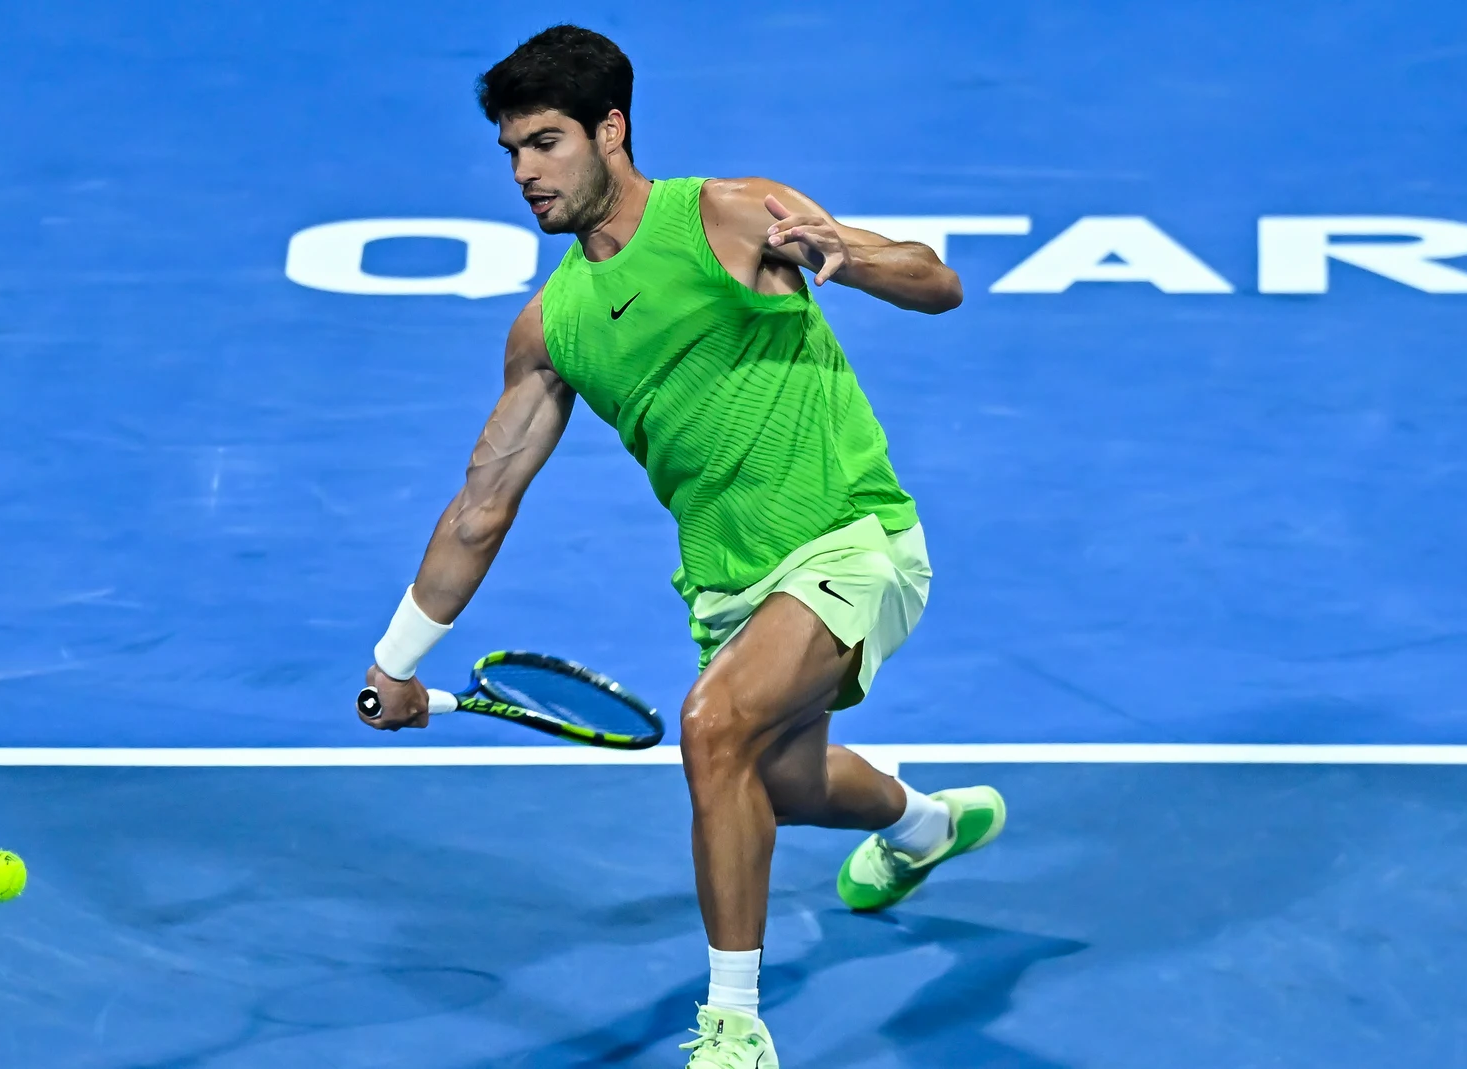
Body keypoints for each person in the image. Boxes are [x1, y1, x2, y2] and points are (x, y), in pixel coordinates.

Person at [359, 24, 1006, 1067]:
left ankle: (733, 1027)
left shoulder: (731, 215)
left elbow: (938, 280)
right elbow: (482, 503)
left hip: (854, 538)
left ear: (610, 130)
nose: (524, 172)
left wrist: (856, 260)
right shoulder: (552, 325)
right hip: (730, 586)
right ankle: (924, 823)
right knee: (779, 782)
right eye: (511, 151)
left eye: (545, 142)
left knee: (712, 729)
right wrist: (395, 662)